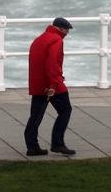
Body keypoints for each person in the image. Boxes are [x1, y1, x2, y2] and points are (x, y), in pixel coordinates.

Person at [24, 17, 76, 156]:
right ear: (60, 28)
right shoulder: (56, 40)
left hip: (38, 84)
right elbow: (52, 64)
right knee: (65, 110)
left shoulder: (39, 39)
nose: (67, 33)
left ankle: (32, 147)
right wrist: (53, 85)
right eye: (66, 30)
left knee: (35, 116)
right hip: (52, 85)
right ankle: (57, 144)